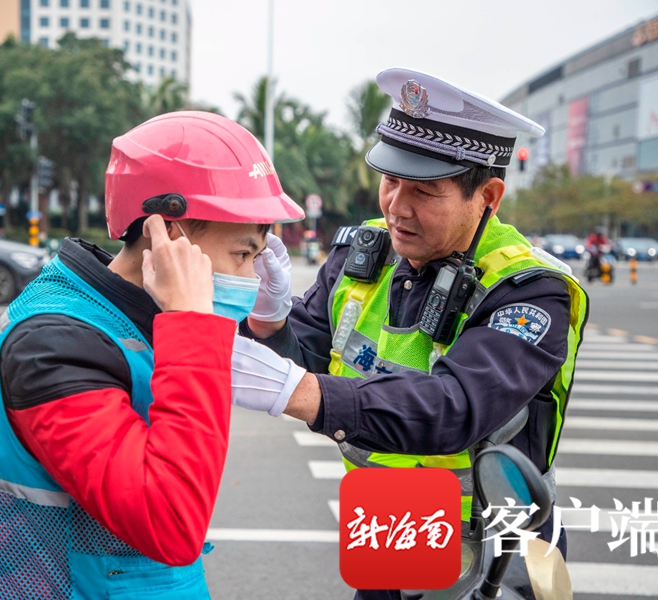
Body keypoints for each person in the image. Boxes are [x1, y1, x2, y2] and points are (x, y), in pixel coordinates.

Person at [232, 69, 589, 599]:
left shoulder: (529, 290)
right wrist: (269, 320)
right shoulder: (366, 251)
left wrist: (301, 393)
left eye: (423, 191)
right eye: (390, 180)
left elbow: (453, 408)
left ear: (488, 196)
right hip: (394, 514)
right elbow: (304, 352)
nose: (397, 206)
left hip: (495, 539)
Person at [0, 111, 305, 599]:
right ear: (172, 236)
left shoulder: (139, 313)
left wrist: (266, 322)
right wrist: (193, 327)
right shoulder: (55, 344)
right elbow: (170, 522)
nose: (249, 278)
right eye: (243, 255)